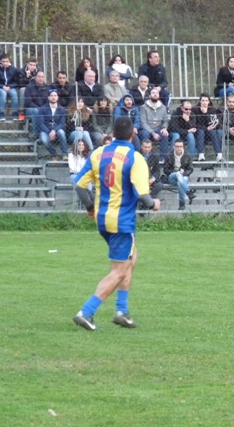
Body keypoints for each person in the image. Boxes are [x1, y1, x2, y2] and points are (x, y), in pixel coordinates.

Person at [72, 116, 161, 331]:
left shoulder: (98, 153)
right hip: (122, 220)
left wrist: (90, 209)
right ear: (133, 135)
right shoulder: (135, 157)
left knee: (131, 259)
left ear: (111, 135)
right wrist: (154, 204)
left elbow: (79, 185)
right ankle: (86, 312)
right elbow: (143, 196)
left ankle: (122, 311)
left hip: (103, 218)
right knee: (119, 270)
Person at [163, 140, 196, 210]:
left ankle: (182, 204)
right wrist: (175, 172)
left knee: (179, 183)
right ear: (174, 147)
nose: (179, 148)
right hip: (172, 177)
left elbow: (190, 169)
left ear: (183, 147)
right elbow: (165, 170)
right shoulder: (169, 155)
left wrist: (183, 173)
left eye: (180, 146)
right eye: (177, 146)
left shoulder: (187, 155)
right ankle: (188, 192)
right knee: (178, 174)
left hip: (183, 177)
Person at [35, 89, 68, 160]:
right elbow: (41, 123)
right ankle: (54, 154)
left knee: (62, 133)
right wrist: (49, 132)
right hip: (45, 130)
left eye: (55, 95)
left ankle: (65, 154)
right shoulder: (43, 109)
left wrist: (54, 131)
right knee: (44, 139)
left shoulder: (62, 109)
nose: (53, 97)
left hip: (57, 129)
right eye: (51, 96)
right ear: (48, 97)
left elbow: (62, 123)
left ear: (57, 97)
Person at [139, 88, 170, 158]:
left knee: (164, 134)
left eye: (157, 93)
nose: (155, 94)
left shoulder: (163, 107)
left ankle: (163, 158)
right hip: (146, 130)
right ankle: (146, 156)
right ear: (149, 96)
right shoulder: (143, 107)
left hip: (158, 129)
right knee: (144, 134)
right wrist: (153, 133)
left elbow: (165, 120)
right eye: (153, 93)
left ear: (159, 96)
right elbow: (143, 123)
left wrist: (164, 128)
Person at [192, 93, 223, 162]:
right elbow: (194, 124)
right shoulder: (195, 110)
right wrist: (205, 128)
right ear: (200, 101)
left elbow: (213, 123)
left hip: (210, 131)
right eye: (203, 100)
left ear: (209, 101)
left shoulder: (213, 110)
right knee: (201, 132)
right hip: (199, 131)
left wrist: (205, 113)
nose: (204, 102)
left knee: (212, 131)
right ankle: (201, 155)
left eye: (206, 100)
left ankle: (218, 154)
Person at [0, 53, 20, 121]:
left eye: (7, 61)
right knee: (3, 94)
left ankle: (15, 113)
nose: (5, 63)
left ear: (9, 61)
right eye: (3, 61)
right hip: (1, 88)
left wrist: (10, 87)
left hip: (11, 87)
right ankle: (1, 113)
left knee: (14, 94)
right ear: (0, 61)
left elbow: (16, 81)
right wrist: (3, 87)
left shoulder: (13, 69)